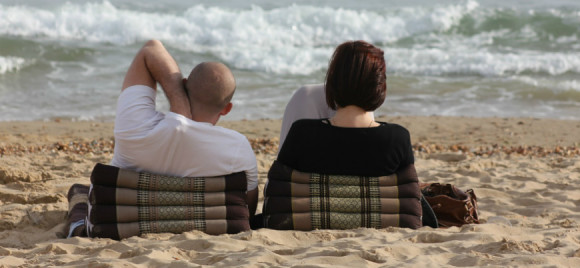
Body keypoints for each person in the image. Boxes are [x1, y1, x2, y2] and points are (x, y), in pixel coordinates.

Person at [110, 40, 258, 216]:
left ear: (184, 84)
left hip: (127, 219)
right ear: (227, 109)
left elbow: (151, 48)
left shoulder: (135, 126)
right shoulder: (237, 148)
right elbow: (247, 210)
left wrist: (178, 101)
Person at [276, 40, 414, 176]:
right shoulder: (397, 139)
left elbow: (277, 190)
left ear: (332, 83)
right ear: (379, 86)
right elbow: (408, 194)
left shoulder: (301, 134)